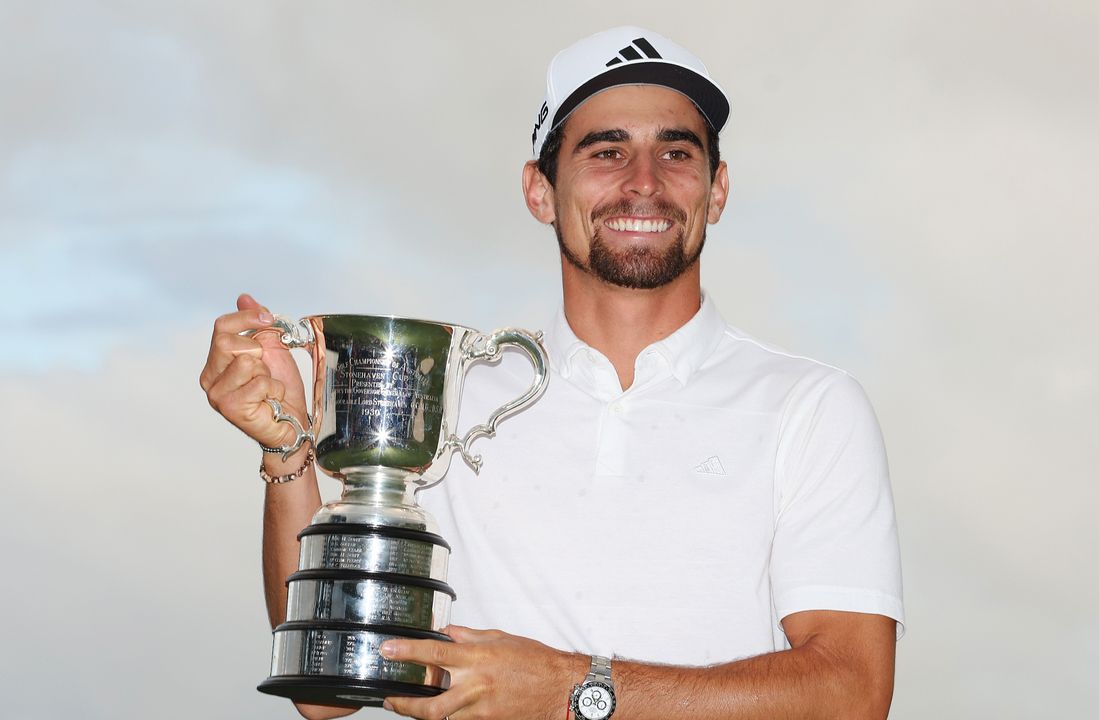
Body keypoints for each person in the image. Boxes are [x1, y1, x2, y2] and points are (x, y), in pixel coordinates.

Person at [200, 26, 903, 720]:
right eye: (607, 151)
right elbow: (326, 694)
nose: (645, 182)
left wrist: (572, 689)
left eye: (676, 152)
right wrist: (287, 448)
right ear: (540, 191)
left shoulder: (810, 407)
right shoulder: (454, 395)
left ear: (716, 191)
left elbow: (850, 692)